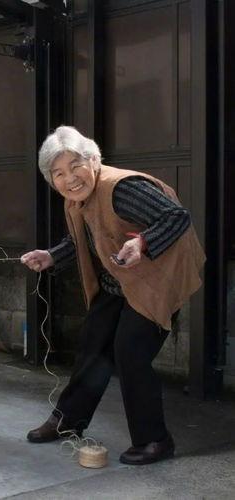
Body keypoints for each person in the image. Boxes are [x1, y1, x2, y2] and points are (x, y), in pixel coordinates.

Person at [21, 126, 205, 465]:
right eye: (58, 173)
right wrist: (51, 257)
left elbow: (177, 217)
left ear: (93, 160)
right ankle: (68, 420)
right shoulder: (76, 200)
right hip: (118, 280)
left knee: (131, 351)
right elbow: (86, 239)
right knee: (93, 343)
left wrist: (142, 243)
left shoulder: (122, 189)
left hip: (157, 277)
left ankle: (155, 440)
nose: (69, 178)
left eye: (75, 165)